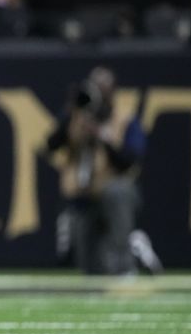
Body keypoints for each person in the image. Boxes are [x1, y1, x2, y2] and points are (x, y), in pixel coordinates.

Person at [44, 67, 158, 276]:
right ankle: (135, 245)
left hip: (115, 195)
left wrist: (102, 137)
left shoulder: (125, 120)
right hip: (85, 199)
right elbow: (50, 145)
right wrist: (70, 114)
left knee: (117, 191)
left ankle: (127, 264)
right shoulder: (76, 118)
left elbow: (128, 161)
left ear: (112, 93)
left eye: (103, 89)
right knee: (92, 271)